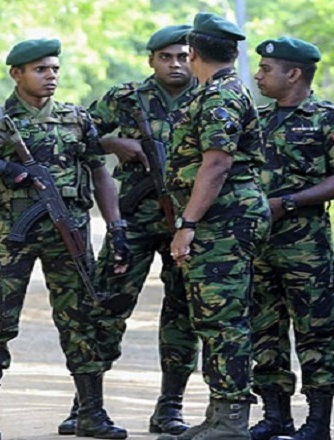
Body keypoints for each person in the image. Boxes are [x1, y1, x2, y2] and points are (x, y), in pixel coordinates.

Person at [0, 38, 130, 440]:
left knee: (82, 322)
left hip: (68, 233)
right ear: (16, 74)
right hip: (10, 237)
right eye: (41, 69)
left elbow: (99, 174)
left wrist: (116, 226)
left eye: (55, 69)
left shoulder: (77, 118)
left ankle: (91, 413)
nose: (51, 76)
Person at [58, 25, 200, 437]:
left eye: (183, 56)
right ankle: (86, 405)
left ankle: (170, 407)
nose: (175, 64)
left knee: (183, 312)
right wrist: (115, 143)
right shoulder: (125, 98)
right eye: (166, 57)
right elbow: (78, 138)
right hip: (134, 218)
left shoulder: (207, 97)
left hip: (186, 220)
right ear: (151, 60)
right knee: (105, 306)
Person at [156, 13, 270, 440]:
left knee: (222, 320)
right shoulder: (215, 93)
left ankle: (231, 420)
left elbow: (217, 163)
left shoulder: (219, 98)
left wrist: (188, 223)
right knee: (213, 318)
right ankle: (219, 414)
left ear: (195, 54)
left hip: (223, 219)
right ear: (235, 52)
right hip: (224, 217)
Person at [249, 37, 334, 440]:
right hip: (259, 245)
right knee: (264, 329)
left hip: (306, 245)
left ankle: (317, 423)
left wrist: (290, 201)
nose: (258, 76)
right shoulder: (258, 119)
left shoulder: (326, 118)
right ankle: (275, 417)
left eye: (266, 69)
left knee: (316, 331)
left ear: (294, 73)